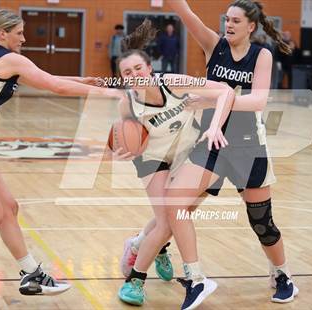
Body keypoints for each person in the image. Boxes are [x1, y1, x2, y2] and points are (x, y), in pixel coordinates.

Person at [121, 1, 299, 308]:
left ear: (251, 26)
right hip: (209, 141)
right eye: (226, 19)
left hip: (246, 146)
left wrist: (211, 101)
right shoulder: (213, 44)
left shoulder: (261, 55)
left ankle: (282, 275)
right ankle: (194, 277)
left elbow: (257, 101)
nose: (228, 25)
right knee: (178, 204)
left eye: (235, 21)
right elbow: (186, 14)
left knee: (262, 223)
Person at [0, 9, 119, 295]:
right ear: (2, 34)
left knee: (8, 208)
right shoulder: (9, 58)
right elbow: (54, 85)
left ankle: (31, 274)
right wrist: (107, 94)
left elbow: (45, 77)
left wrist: (83, 81)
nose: (24, 38)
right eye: (19, 33)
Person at [114, 19, 234, 307]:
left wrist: (213, 120)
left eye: (138, 68)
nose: (134, 75)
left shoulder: (174, 83)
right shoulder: (127, 103)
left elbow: (225, 91)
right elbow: (127, 140)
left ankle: (142, 243)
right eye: (127, 72)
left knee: (175, 217)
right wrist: (123, 148)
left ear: (150, 68)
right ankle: (136, 281)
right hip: (152, 160)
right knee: (170, 218)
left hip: (186, 154)